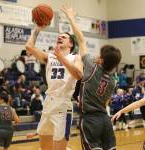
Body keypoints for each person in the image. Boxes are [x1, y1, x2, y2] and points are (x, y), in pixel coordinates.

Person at [62, 5, 121, 150]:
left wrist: (71, 18)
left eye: (99, 55)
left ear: (101, 60)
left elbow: (81, 41)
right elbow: (106, 101)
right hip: (105, 120)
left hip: (90, 120)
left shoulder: (91, 66)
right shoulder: (113, 81)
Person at [26, 16, 83, 150]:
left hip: (63, 105)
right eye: (59, 36)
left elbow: (78, 74)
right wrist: (37, 29)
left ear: (71, 44)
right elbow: (29, 47)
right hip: (48, 103)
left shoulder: (75, 57)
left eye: (64, 37)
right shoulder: (49, 57)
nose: (60, 37)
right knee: (45, 148)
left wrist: (62, 58)